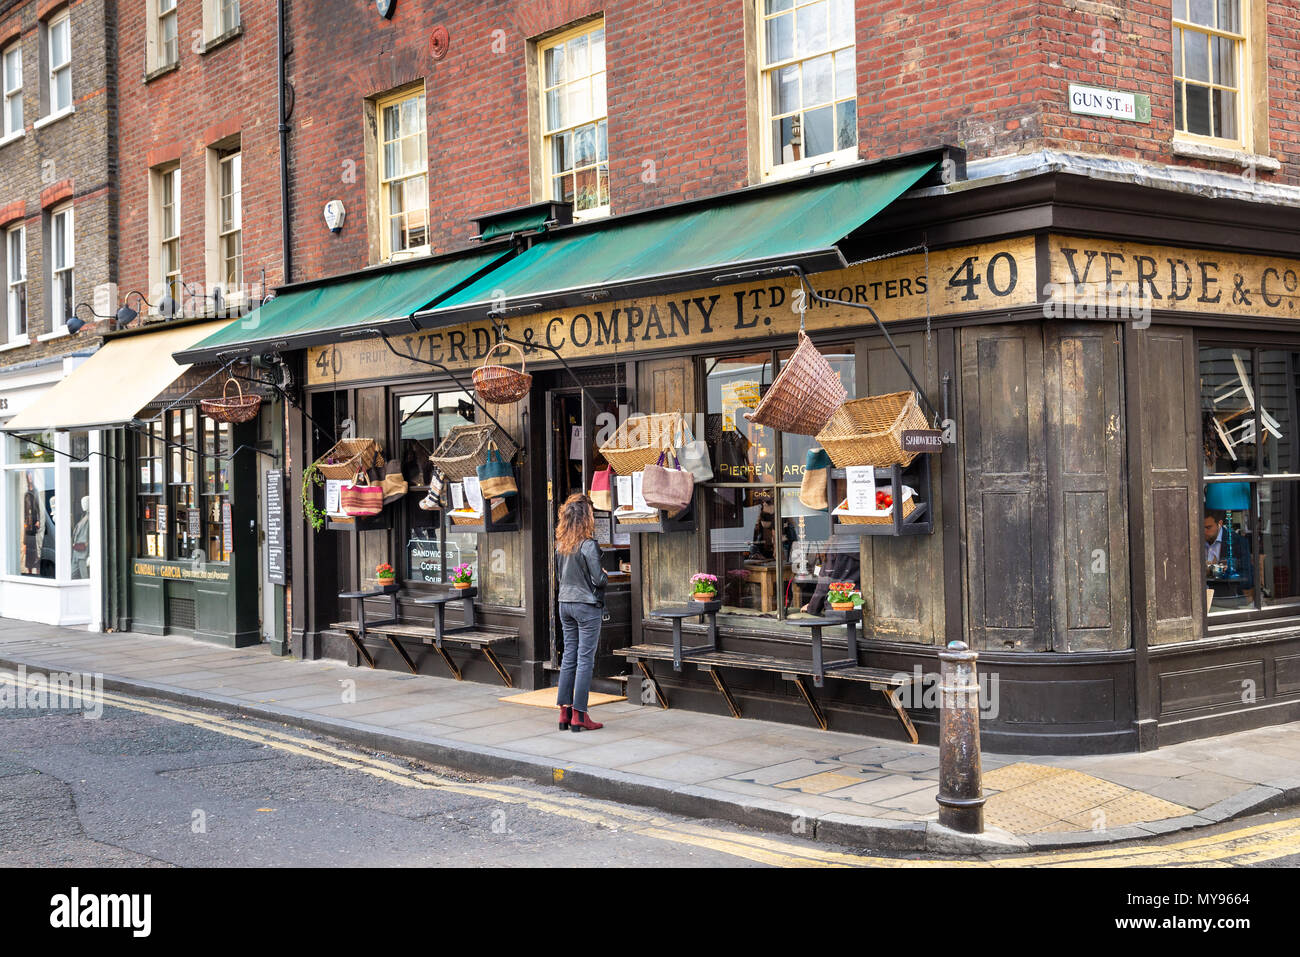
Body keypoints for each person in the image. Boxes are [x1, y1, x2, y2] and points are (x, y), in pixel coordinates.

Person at [555, 493, 608, 733]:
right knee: (585, 659)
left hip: (564, 603)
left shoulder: (561, 544)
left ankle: (564, 712)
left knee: (569, 656)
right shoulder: (588, 545)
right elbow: (599, 579)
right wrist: (606, 574)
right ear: (586, 518)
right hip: (586, 605)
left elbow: (559, 577)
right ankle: (580, 714)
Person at [1204, 508, 1254, 603]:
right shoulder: (1195, 540)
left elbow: (1248, 578)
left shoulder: (1237, 542)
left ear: (1220, 524)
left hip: (1225, 599)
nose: (1204, 532)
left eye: (1208, 527)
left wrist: (1224, 572)